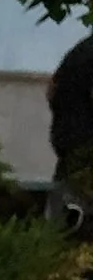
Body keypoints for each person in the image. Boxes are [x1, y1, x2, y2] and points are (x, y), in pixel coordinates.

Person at [46, 32, 93, 231]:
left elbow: (52, 90)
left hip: (71, 139)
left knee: (65, 210)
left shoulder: (82, 50)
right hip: (85, 145)